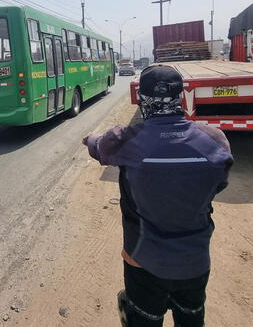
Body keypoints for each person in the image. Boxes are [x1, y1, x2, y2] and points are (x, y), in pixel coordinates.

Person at [82, 65, 233, 327]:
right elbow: (219, 184)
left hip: (142, 260)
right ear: (181, 97)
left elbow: (96, 146)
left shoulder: (125, 139)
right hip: (195, 260)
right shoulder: (214, 140)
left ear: (142, 98)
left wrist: (88, 138)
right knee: (191, 318)